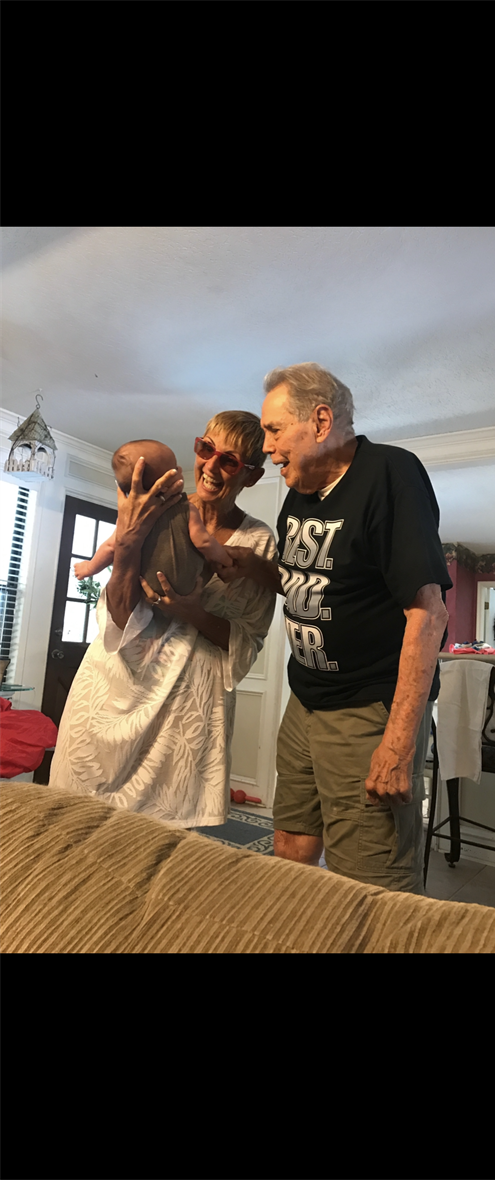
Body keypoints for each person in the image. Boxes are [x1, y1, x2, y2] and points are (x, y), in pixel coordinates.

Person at [221, 364, 451, 893]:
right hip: (305, 700)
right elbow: (309, 582)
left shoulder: (390, 475)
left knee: (371, 884)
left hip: (368, 708)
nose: (268, 448)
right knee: (290, 849)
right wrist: (252, 566)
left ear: (321, 420)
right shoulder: (300, 491)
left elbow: (428, 612)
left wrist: (396, 745)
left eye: (275, 431)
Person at [49, 412, 277, 828]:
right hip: (108, 701)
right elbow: (118, 616)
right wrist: (127, 546)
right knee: (75, 848)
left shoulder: (257, 543)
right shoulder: (157, 512)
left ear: (252, 475)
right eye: (205, 449)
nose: (209, 466)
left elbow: (247, 640)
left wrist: (189, 610)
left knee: (168, 866)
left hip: (184, 727)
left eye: (228, 461)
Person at [74, 438, 233, 597]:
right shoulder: (187, 509)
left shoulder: (129, 519)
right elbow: (204, 541)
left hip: (146, 588)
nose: (180, 469)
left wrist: (89, 568)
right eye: (174, 470)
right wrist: (226, 560)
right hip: (185, 588)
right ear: (165, 485)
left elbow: (110, 547)